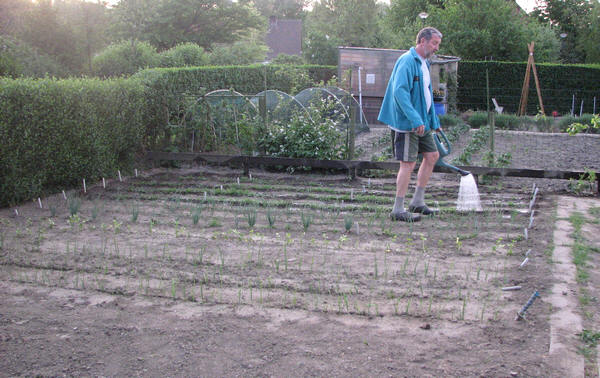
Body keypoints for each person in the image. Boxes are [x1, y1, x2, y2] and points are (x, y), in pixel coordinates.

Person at [378, 27, 443, 222]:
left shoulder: (424, 63)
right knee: (408, 163)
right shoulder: (407, 61)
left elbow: (426, 95)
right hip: (407, 123)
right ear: (422, 41)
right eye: (434, 43)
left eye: (438, 44)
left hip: (421, 122)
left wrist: (434, 120)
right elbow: (400, 92)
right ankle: (398, 209)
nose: (436, 48)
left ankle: (417, 202)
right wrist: (415, 119)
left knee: (432, 156)